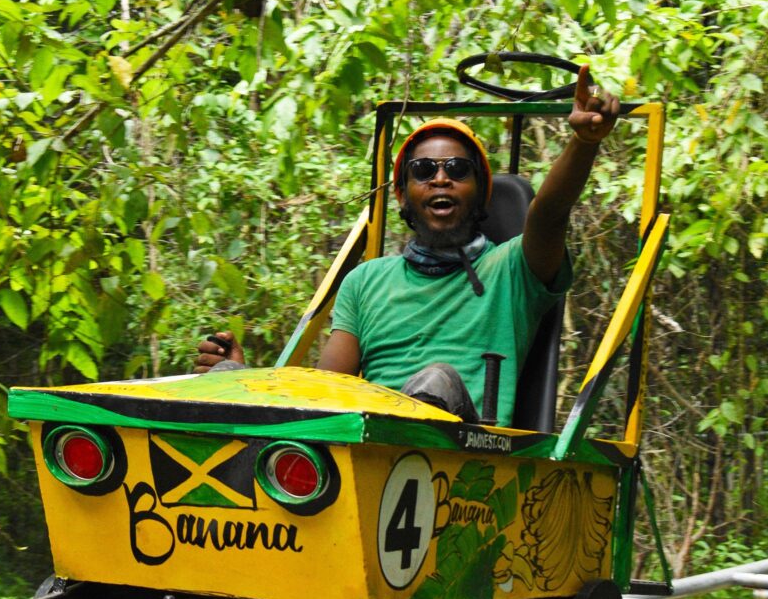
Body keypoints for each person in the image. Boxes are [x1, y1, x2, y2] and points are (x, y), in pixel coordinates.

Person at [196, 65, 620, 427]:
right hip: (373, 453)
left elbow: (548, 215)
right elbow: (323, 394)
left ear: (480, 193)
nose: (440, 178)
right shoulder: (366, 281)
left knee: (435, 381)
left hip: (463, 458)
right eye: (423, 170)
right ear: (402, 195)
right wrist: (243, 377)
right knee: (225, 379)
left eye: (457, 169)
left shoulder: (512, 270)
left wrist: (583, 144)